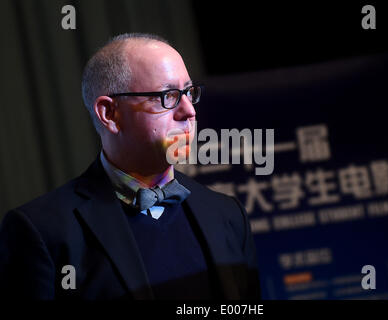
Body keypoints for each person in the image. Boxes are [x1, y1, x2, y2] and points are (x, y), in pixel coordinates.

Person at [0, 33, 261, 300]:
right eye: (168, 96)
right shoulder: (42, 230)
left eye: (189, 92)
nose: (189, 111)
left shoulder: (227, 214)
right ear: (109, 114)